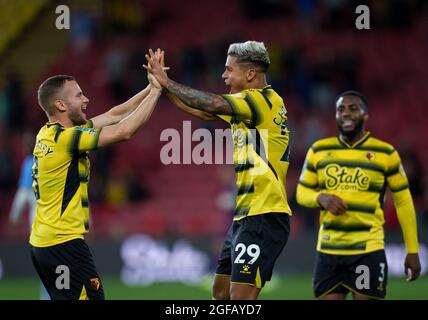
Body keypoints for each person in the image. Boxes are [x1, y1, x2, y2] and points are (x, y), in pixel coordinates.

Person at [145, 41, 292, 300]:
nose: (223, 76)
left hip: (264, 215)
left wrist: (167, 82)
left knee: (239, 298)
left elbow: (211, 104)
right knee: (220, 292)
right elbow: (200, 110)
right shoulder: (249, 106)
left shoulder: (261, 100)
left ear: (249, 74)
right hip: (245, 215)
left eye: (228, 70)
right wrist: (162, 87)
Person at [30, 63, 162, 300]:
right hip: (64, 244)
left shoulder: (47, 133)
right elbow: (124, 131)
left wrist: (149, 86)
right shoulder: (68, 138)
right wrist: (157, 92)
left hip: (44, 243)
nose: (86, 99)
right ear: (60, 105)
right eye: (79, 95)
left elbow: (114, 115)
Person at [296, 91, 421, 300]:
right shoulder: (318, 150)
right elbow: (301, 192)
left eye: (353, 109)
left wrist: (413, 250)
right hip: (328, 250)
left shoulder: (386, 153)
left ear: (365, 115)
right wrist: (320, 198)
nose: (346, 114)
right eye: (340, 110)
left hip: (367, 249)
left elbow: (403, 201)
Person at [9, 132, 50, 300]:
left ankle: (47, 295)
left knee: (45, 262)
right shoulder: (48, 159)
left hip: (39, 227)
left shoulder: (29, 164)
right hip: (53, 222)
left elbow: (23, 194)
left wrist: (14, 217)